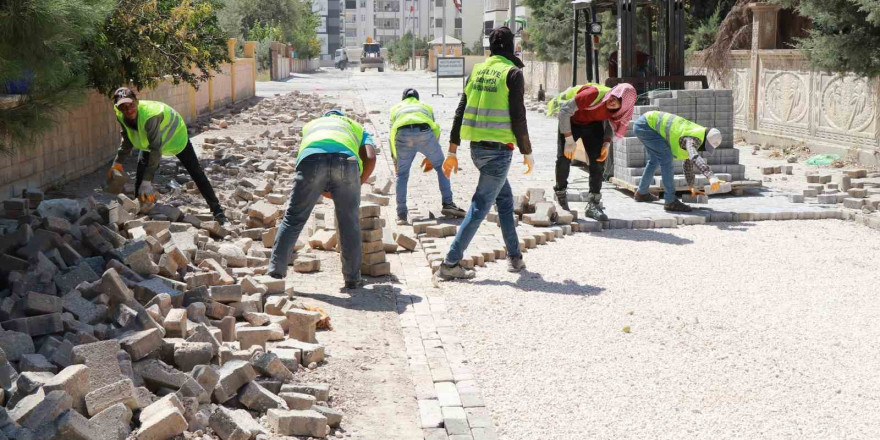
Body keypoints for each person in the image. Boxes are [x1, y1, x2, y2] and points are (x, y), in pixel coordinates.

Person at [436, 26, 533, 281]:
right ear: (512, 47)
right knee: (479, 207)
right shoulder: (512, 73)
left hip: (476, 150)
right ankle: (450, 262)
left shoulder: (477, 71)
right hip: (499, 153)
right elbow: (518, 116)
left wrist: (452, 150)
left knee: (504, 200)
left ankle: (515, 257)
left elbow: (460, 110)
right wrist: (527, 151)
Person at [268, 110, 377, 289]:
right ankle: (352, 279)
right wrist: (358, 182)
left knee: (293, 218)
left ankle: (275, 273)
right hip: (346, 161)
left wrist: (323, 187)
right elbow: (371, 157)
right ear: (342, 117)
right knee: (349, 221)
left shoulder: (312, 124)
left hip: (311, 160)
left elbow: (318, 163)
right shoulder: (355, 126)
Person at [108, 87, 227, 223]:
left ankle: (218, 211)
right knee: (141, 175)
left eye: (131, 104)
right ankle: (142, 209)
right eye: (123, 107)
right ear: (118, 108)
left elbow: (156, 150)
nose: (128, 110)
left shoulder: (150, 115)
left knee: (196, 172)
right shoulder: (120, 115)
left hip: (175, 139)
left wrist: (148, 181)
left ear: (137, 101)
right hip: (150, 142)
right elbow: (128, 140)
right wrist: (116, 165)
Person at [551, 82, 637, 220]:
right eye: (614, 96)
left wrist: (606, 143)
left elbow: (611, 121)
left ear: (624, 106)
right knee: (564, 159)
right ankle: (560, 194)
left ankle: (593, 204)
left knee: (598, 162)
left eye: (618, 100)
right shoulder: (592, 95)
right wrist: (569, 139)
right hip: (571, 121)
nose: (613, 100)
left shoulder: (617, 112)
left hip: (593, 124)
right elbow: (564, 111)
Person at [390, 88, 466, 224]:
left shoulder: (395, 108)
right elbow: (435, 128)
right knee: (441, 168)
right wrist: (432, 150)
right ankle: (448, 203)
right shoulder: (425, 106)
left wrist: (395, 160)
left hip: (403, 136)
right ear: (417, 99)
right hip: (425, 133)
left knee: (402, 175)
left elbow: (392, 135)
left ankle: (401, 214)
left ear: (403, 99)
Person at [632, 111, 725, 212]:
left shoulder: (696, 133)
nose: (704, 149)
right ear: (705, 140)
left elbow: (688, 163)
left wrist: (691, 186)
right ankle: (670, 201)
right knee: (666, 159)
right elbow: (694, 156)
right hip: (646, 125)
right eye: (706, 146)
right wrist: (710, 175)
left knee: (655, 159)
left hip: (644, 124)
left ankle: (641, 193)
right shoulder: (692, 139)